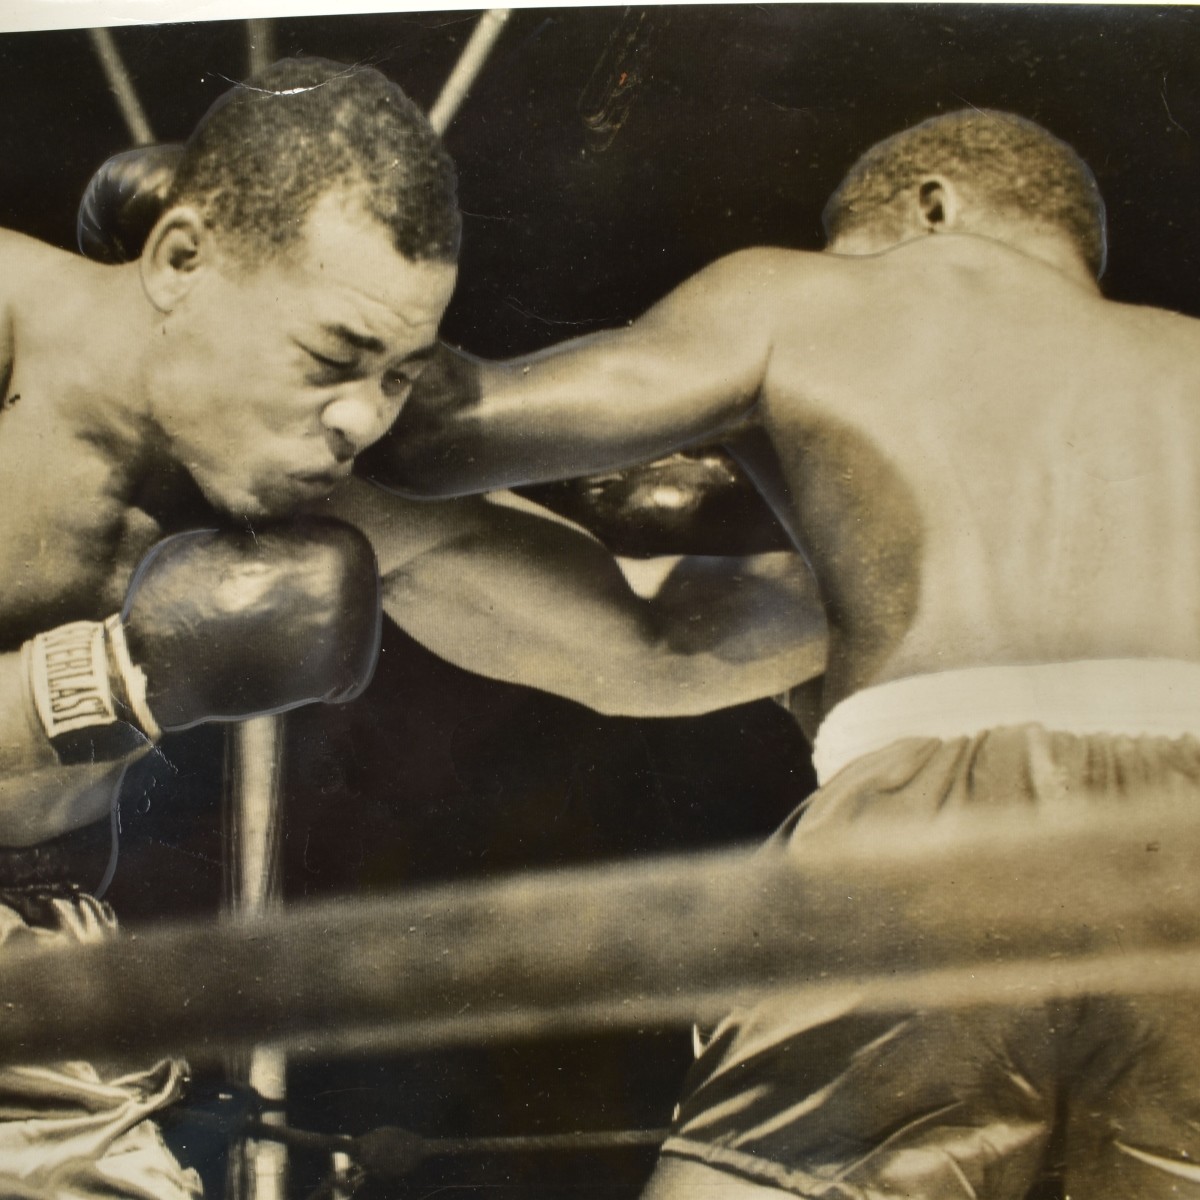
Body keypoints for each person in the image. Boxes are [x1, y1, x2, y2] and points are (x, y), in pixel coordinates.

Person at [1, 55, 826, 1198]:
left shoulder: (330, 504)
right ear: (182, 258)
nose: (359, 418)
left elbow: (654, 641)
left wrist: (958, 591)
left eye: (399, 376)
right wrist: (110, 681)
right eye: (333, 358)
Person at [373, 108, 1200, 1199]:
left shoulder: (805, 296)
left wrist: (291, 318)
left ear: (932, 206)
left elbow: (446, 432)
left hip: (938, 824)